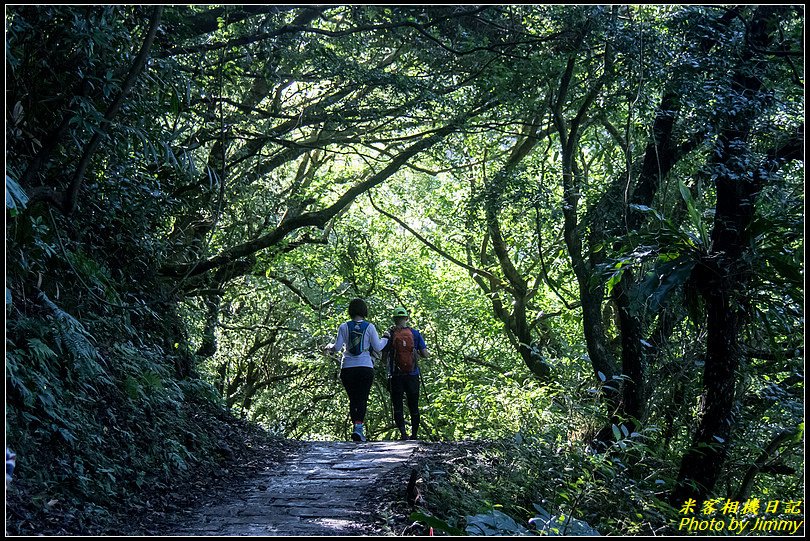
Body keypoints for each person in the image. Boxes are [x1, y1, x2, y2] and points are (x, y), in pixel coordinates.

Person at [325, 298, 386, 442]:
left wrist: (329, 346)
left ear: (350, 311)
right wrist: (386, 339)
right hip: (365, 366)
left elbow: (337, 348)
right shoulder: (369, 327)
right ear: (364, 310)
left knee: (353, 399)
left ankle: (356, 427)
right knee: (362, 398)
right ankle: (358, 428)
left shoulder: (344, 326)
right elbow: (378, 347)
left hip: (347, 367)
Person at [383, 307, 429, 441]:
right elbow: (425, 354)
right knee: (413, 405)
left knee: (397, 406)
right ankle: (414, 435)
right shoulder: (415, 333)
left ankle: (403, 434)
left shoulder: (390, 334)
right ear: (406, 318)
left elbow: (383, 356)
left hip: (396, 376)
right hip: (412, 374)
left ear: (394, 319)